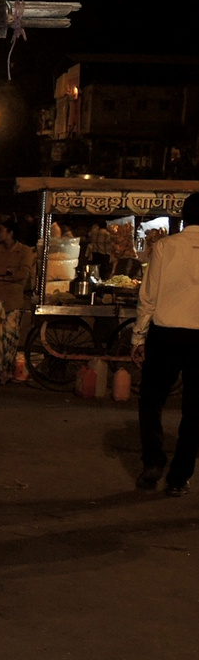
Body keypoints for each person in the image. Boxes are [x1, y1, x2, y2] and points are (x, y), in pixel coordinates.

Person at [133, 193, 199, 496]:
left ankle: (154, 462)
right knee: (195, 411)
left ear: (184, 217)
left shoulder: (164, 247)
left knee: (151, 401)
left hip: (166, 334)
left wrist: (138, 337)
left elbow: (148, 296)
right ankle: (179, 477)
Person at [0, 220, 35, 384]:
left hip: (12, 301)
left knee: (9, 340)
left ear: (10, 233)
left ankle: (4, 372)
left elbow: (23, 273)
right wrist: (7, 271)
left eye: (1, 230)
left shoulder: (24, 251)